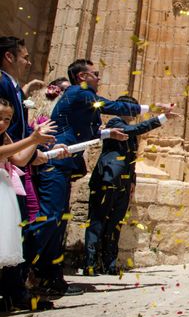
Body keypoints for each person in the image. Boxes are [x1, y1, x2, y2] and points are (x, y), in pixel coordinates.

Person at [27, 59, 174, 297]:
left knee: (58, 222)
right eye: (95, 74)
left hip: (65, 164)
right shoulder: (78, 92)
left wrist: (107, 132)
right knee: (50, 219)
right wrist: (155, 109)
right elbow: (114, 107)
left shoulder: (82, 99)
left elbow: (91, 131)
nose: (99, 77)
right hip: (55, 160)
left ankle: (51, 278)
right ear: (82, 77)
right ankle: (22, 269)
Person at [84, 95, 177, 276]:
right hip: (107, 180)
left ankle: (109, 264)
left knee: (115, 223)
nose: (134, 113)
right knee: (97, 221)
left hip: (123, 182)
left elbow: (131, 158)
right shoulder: (114, 123)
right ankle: (89, 263)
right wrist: (161, 118)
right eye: (131, 109)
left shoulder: (127, 128)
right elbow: (133, 130)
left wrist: (132, 181)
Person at [0, 36, 59, 311]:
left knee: (14, 228)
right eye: (24, 57)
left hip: (16, 160)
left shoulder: (10, 85)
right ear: (9, 57)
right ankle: (12, 290)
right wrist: (27, 149)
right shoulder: (2, 82)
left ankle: (13, 289)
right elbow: (6, 128)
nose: (28, 61)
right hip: (9, 162)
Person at [0, 99, 56, 288]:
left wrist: (36, 140)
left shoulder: (5, 136)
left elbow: (20, 160)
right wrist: (32, 139)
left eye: (7, 119)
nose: (2, 123)